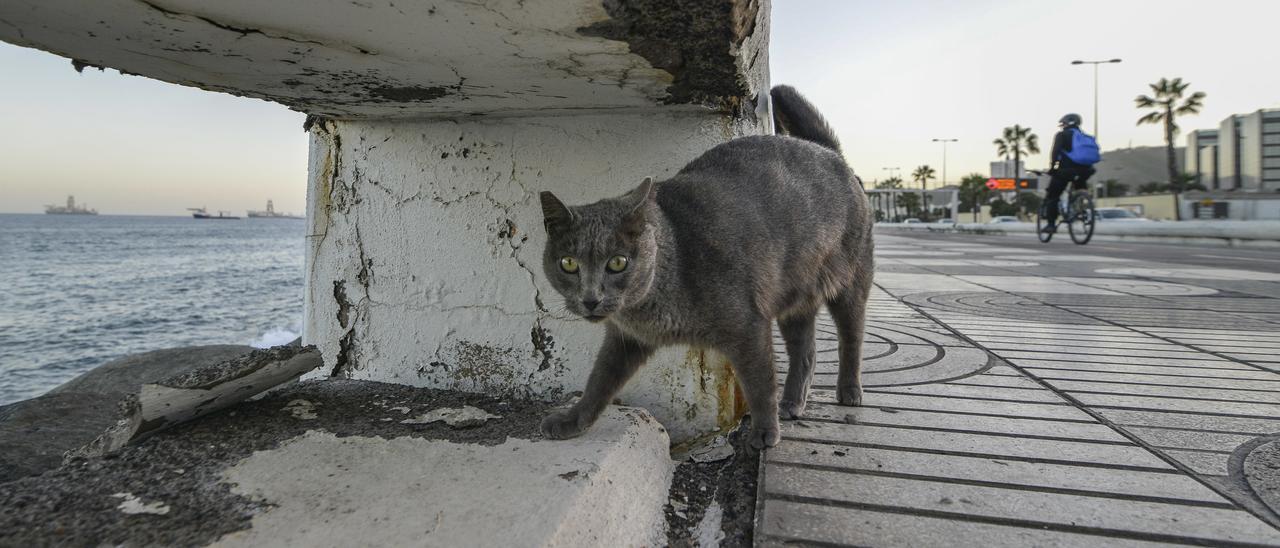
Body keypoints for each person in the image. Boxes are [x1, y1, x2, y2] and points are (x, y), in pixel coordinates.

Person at [1042, 113, 1097, 232]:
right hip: (1086, 171)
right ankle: (1082, 209)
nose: (1062, 126)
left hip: (1066, 171)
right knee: (1079, 188)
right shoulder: (1086, 137)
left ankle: (1051, 225)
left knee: (1053, 196)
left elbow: (1055, 152)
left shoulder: (1062, 135)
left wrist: (1053, 168)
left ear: (1066, 123)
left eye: (1063, 124)